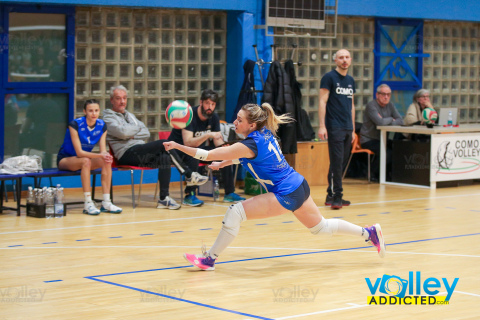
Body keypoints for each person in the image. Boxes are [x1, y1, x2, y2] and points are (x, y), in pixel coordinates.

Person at [164, 103, 386, 271]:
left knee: (235, 212)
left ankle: (209, 259)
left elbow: (207, 154)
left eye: (239, 120)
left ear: (251, 125)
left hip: (286, 193)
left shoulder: (248, 144)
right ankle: (369, 233)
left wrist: (176, 145)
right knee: (321, 228)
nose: (235, 122)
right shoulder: (264, 134)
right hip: (299, 185)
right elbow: (247, 157)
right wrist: (225, 163)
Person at [103, 85, 208, 210]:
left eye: (124, 98)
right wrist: (131, 131)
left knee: (165, 156)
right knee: (164, 143)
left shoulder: (129, 116)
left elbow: (146, 132)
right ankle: (188, 174)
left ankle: (164, 199)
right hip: (126, 154)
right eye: (118, 98)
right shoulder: (108, 117)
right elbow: (123, 133)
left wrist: (129, 132)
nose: (122, 101)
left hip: (139, 151)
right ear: (111, 100)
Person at [168, 89, 245, 206]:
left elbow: (217, 140)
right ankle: (190, 195)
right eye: (207, 103)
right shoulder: (189, 115)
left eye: (213, 104)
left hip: (197, 150)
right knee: (195, 154)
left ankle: (229, 193)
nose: (210, 107)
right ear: (201, 102)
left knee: (224, 153)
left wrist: (225, 147)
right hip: (179, 150)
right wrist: (208, 134)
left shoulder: (213, 117)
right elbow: (188, 143)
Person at [57, 99, 122, 215]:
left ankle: (106, 202)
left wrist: (105, 155)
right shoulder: (75, 125)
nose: (94, 113)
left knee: (106, 161)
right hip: (66, 160)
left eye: (96, 110)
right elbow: (79, 153)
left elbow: (102, 150)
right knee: (86, 160)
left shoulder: (102, 126)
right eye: (90, 111)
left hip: (84, 160)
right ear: (85, 111)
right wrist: (100, 155)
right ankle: (88, 203)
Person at [318, 49, 355, 210]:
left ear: (350, 60)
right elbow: (322, 101)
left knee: (341, 162)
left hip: (347, 127)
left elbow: (352, 105)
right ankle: (337, 197)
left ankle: (330, 194)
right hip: (334, 126)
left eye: (347, 57)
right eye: (341, 58)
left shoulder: (351, 80)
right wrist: (321, 126)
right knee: (337, 161)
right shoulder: (329, 78)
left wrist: (353, 129)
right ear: (336, 61)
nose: (344, 60)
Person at [360, 84, 404, 182]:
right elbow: (379, 123)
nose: (386, 97)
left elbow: (401, 121)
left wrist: (386, 120)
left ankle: (389, 176)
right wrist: (391, 119)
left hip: (382, 139)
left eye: (388, 94)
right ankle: (372, 174)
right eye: (383, 94)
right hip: (368, 139)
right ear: (377, 95)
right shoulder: (371, 105)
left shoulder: (390, 105)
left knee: (398, 148)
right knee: (386, 152)